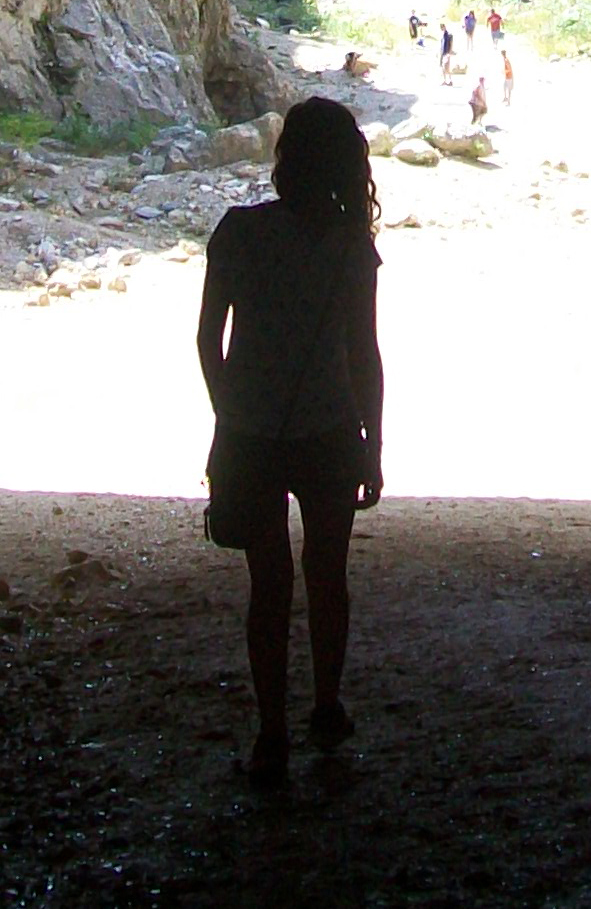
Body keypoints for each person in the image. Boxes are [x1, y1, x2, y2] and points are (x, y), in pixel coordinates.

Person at [197, 97, 385, 781]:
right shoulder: (350, 249)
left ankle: (271, 733)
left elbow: (206, 340)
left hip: (251, 433)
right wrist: (375, 443)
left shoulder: (238, 234)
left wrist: (232, 414)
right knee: (328, 578)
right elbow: (364, 353)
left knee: (267, 586)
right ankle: (327, 706)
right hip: (331, 430)